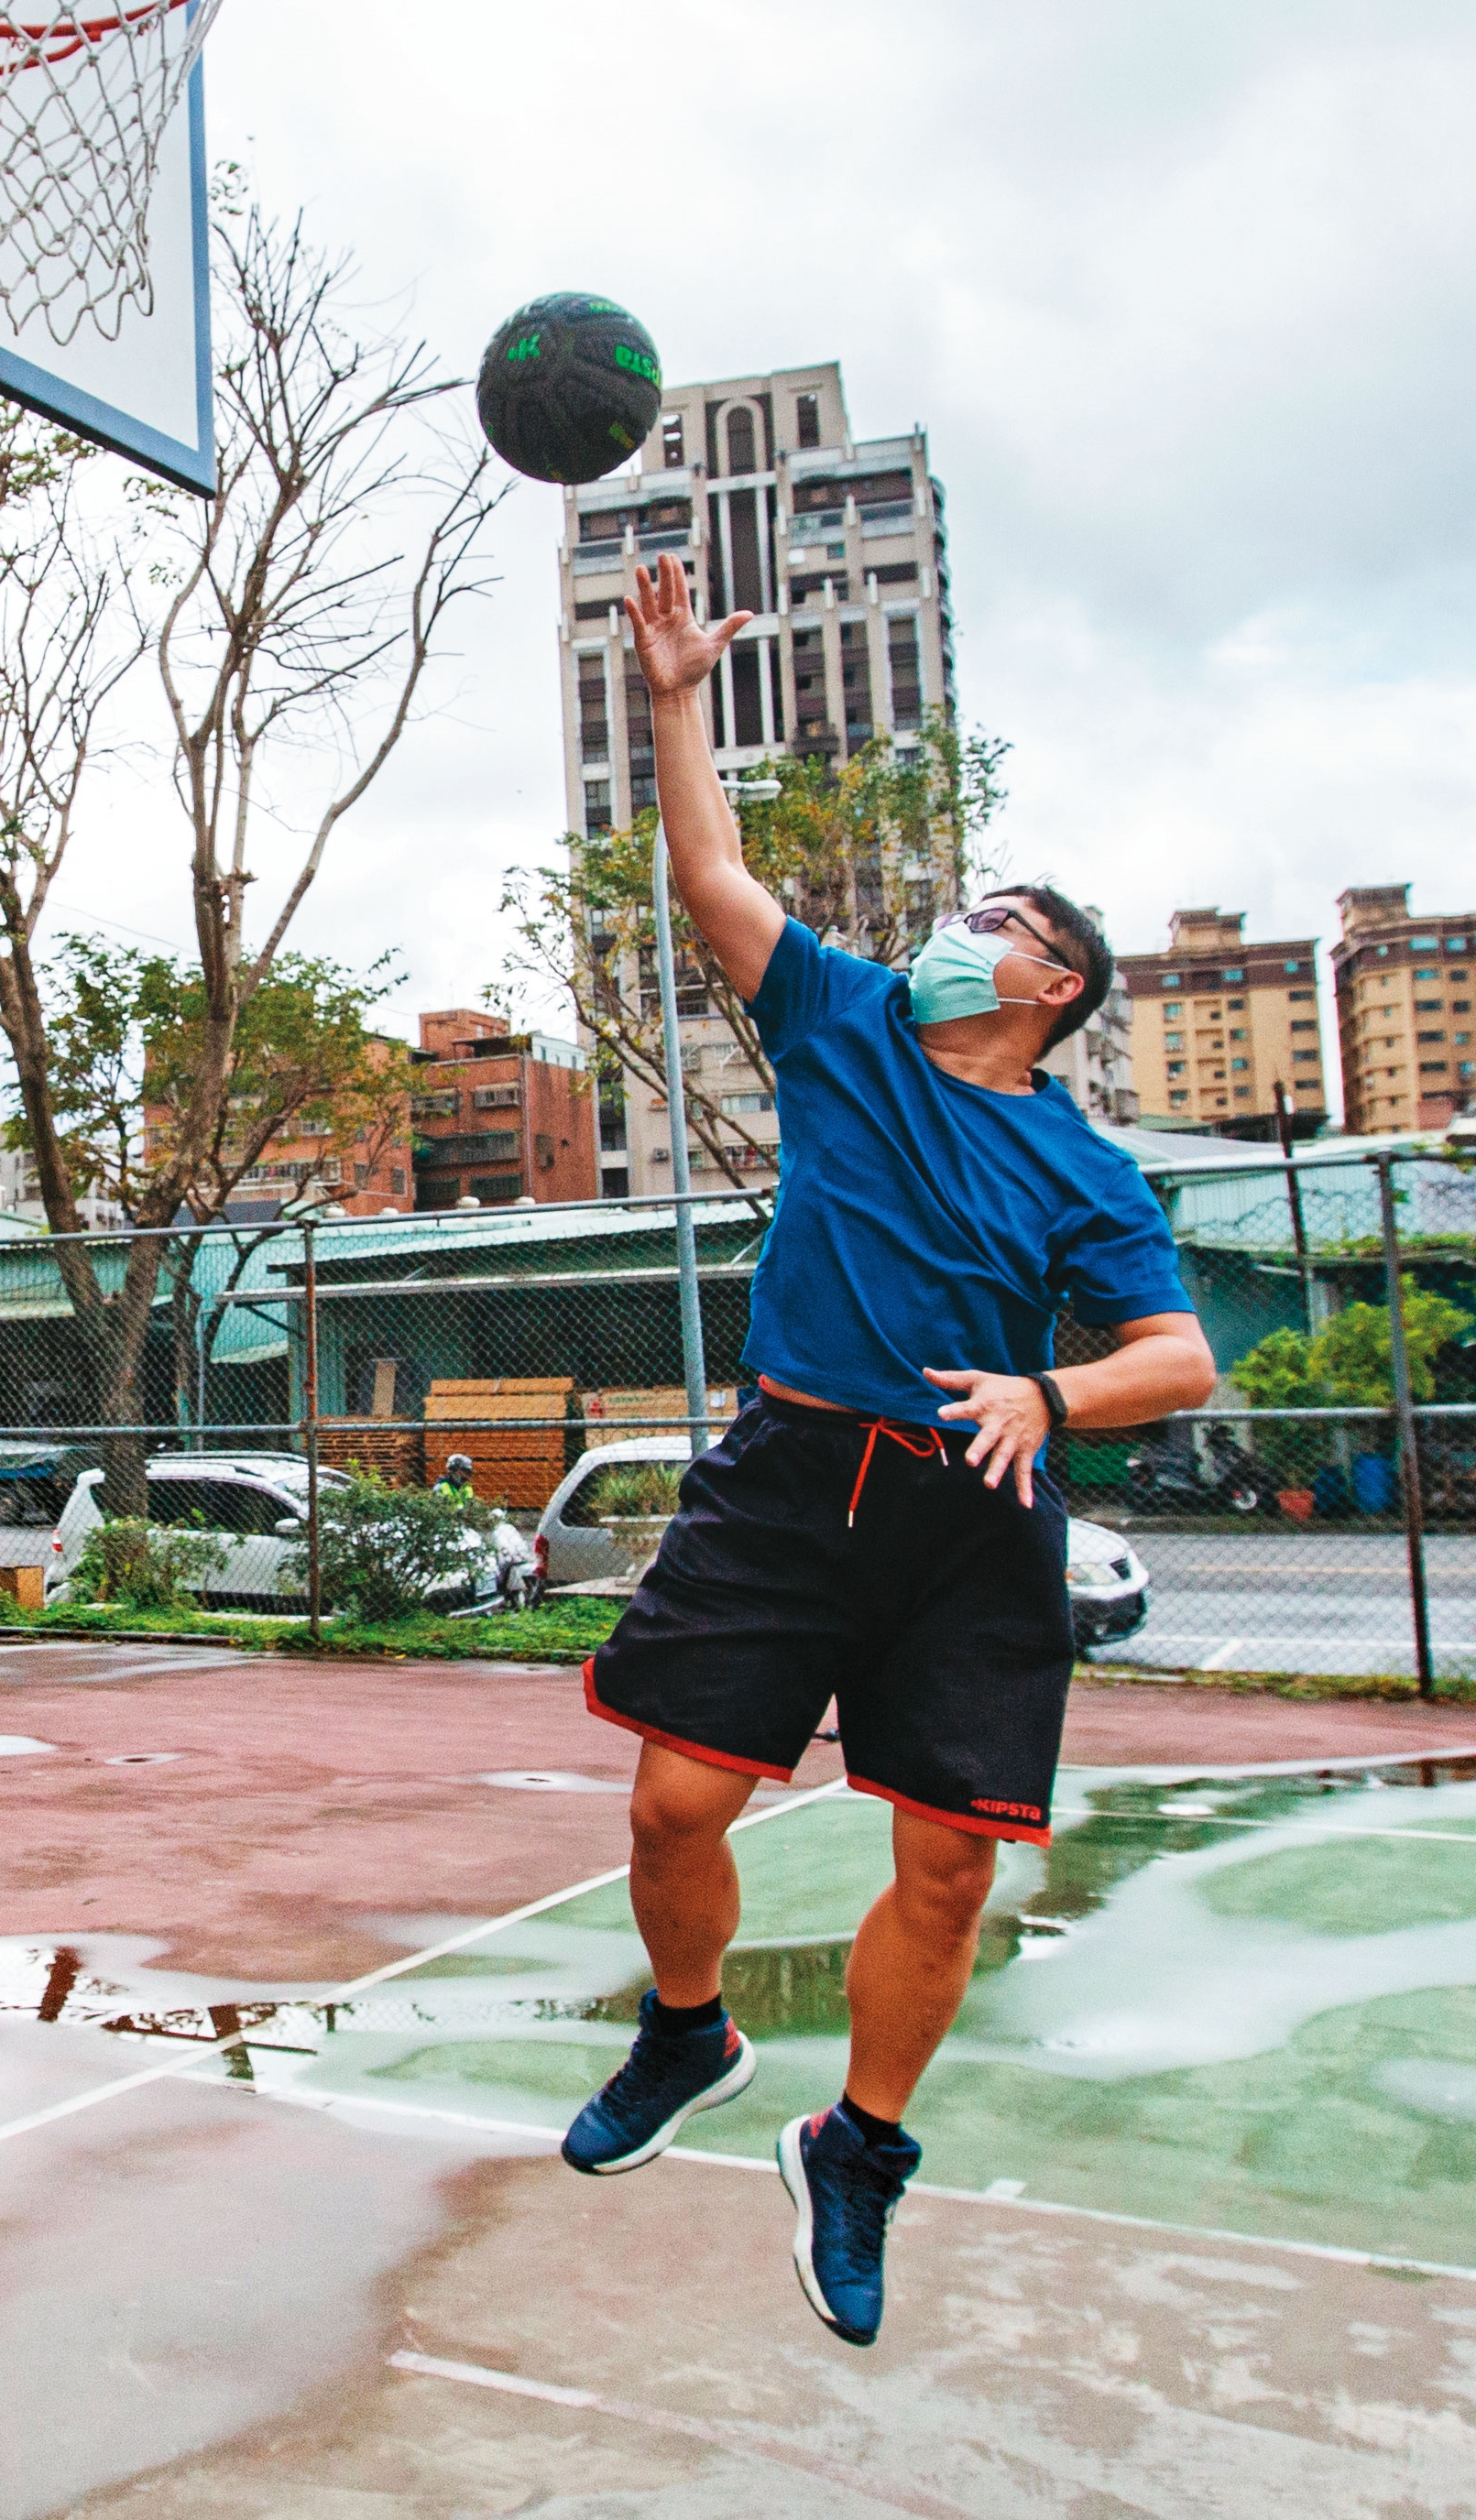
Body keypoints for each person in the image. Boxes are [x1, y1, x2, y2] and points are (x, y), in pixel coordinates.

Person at [558, 558, 1218, 2350]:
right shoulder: (849, 1021)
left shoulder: (1086, 1165)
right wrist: (676, 698)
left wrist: (1051, 1397)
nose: (957, 920)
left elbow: (1181, 1355)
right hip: (791, 1477)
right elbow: (709, 875)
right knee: (676, 1802)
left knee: (950, 1862)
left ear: (1054, 980)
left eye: (994, 911)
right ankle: (689, 2027)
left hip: (970, 1516)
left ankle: (857, 2147)